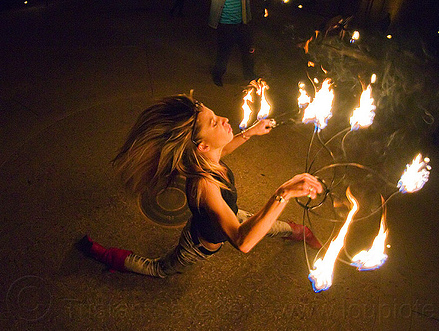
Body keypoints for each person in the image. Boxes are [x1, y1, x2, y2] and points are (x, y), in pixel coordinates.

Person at [77, 94, 323, 277]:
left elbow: (223, 149)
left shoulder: (208, 156)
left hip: (231, 216)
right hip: (199, 244)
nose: (225, 119)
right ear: (202, 146)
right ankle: (106, 255)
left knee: (269, 224)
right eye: (215, 123)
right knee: (159, 269)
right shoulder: (204, 185)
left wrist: (250, 132)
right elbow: (242, 241)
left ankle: (300, 232)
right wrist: (283, 193)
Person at [209, 0, 256, 86]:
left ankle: (249, 74)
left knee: (247, 50)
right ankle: (217, 75)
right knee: (224, 52)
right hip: (225, 24)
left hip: (241, 23)